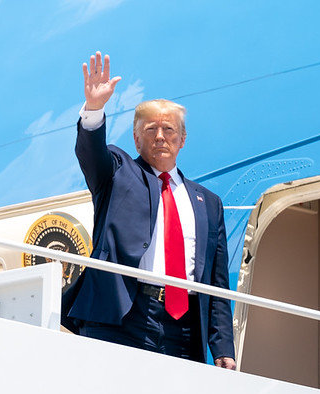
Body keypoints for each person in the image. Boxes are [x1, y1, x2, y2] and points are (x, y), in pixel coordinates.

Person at [62, 51, 236, 370]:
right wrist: (94, 109)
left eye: (168, 129)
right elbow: (91, 153)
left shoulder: (208, 203)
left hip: (183, 330)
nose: (160, 137)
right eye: (150, 129)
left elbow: (217, 283)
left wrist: (223, 345)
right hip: (122, 316)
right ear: (136, 137)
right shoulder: (116, 171)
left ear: (182, 139)